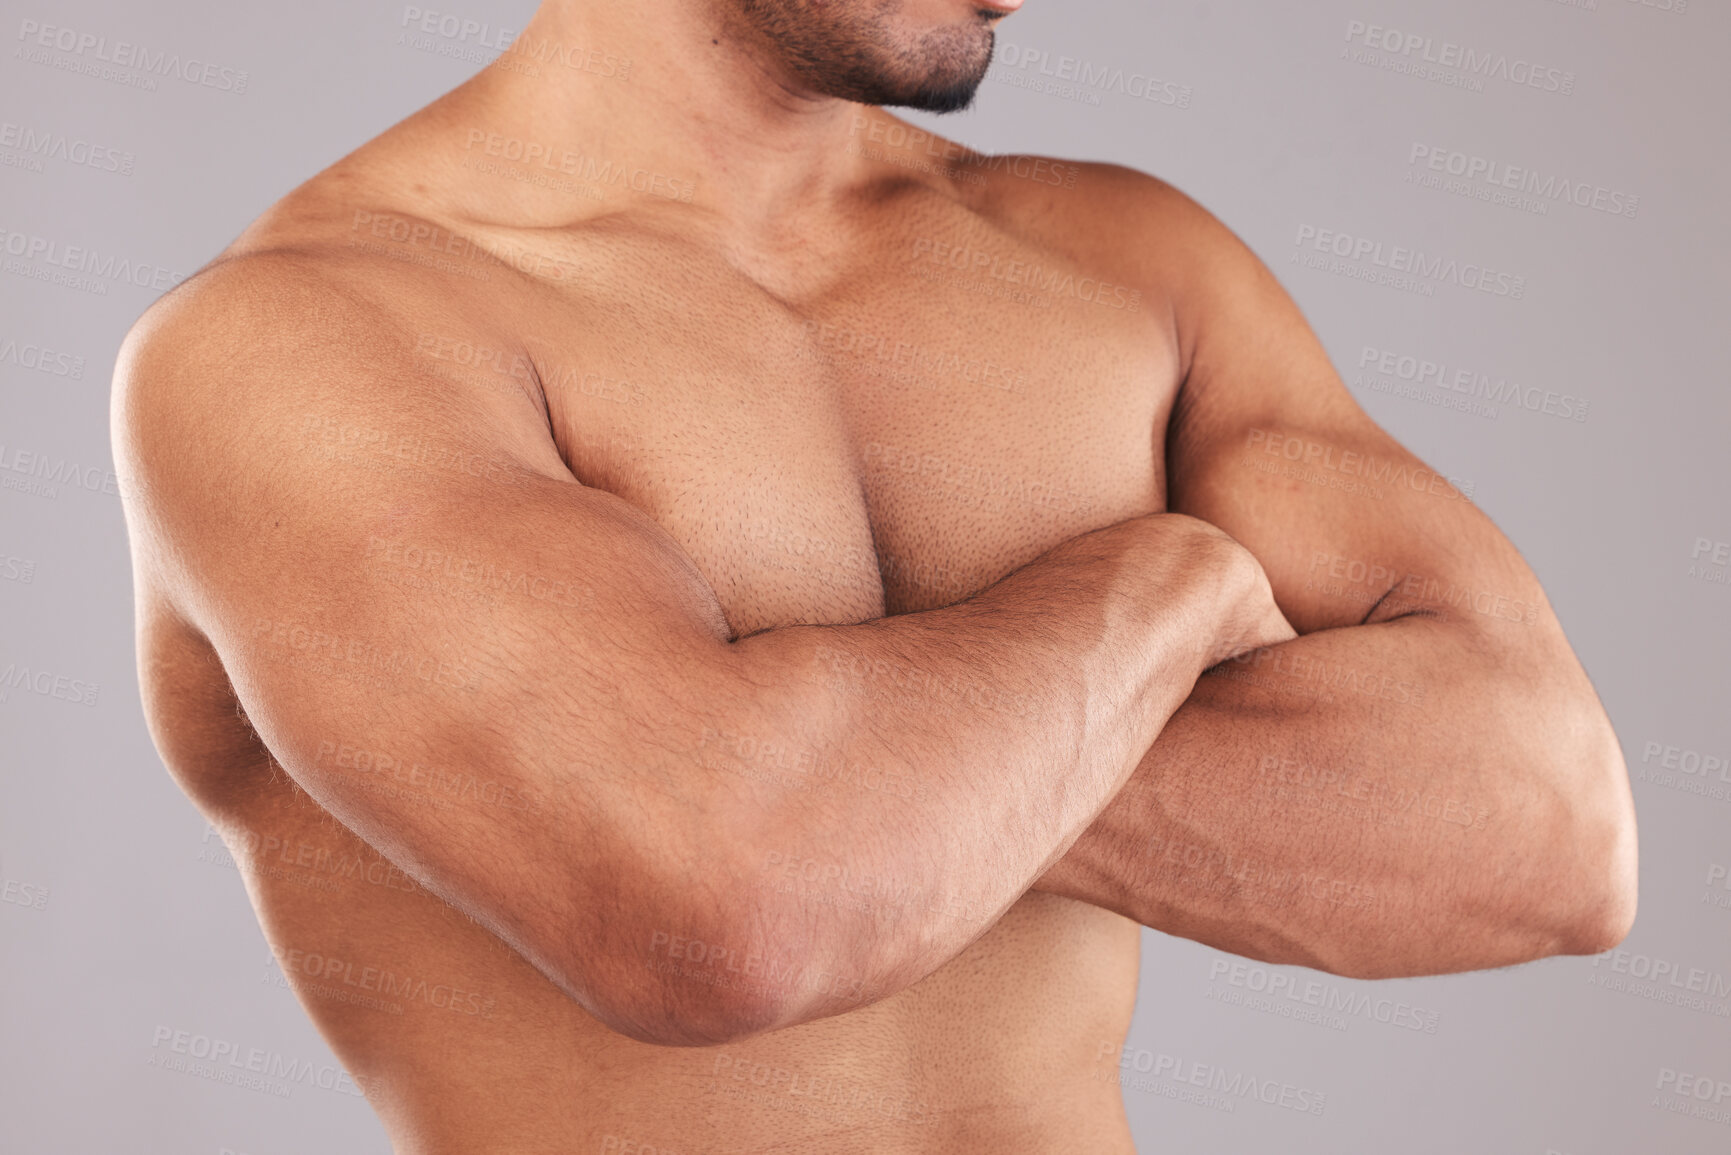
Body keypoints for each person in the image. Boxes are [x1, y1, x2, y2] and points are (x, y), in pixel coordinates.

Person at [112, 0, 1636, 1149]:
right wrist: (1159, 588)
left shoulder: (1126, 263)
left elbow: (1553, 839)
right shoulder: (297, 346)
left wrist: (850, 800)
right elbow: (714, 921)